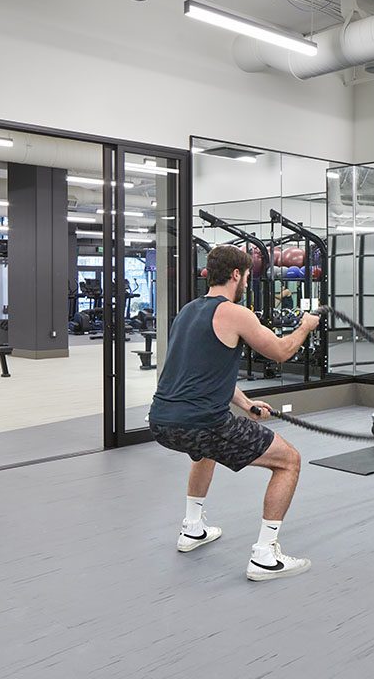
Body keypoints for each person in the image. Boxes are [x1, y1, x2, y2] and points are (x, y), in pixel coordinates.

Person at [149, 244, 320, 581]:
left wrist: (245, 404)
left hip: (162, 421)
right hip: (204, 422)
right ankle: (265, 556)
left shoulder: (187, 311)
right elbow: (282, 352)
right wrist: (305, 326)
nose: (246, 283)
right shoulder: (235, 313)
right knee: (289, 461)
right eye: (246, 277)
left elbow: (202, 374)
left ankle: (192, 528)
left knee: (205, 451)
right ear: (237, 275)